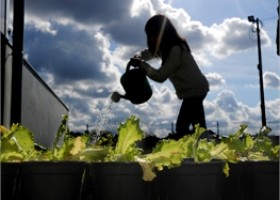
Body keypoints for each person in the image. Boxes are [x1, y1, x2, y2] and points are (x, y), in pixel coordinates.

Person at [129, 14, 209, 138]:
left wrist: (142, 65)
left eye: (153, 34)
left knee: (182, 126)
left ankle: (202, 146)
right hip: (194, 90)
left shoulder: (175, 49)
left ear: (163, 33)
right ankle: (205, 146)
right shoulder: (165, 48)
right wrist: (138, 57)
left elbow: (161, 76)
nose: (152, 38)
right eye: (150, 35)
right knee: (198, 125)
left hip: (195, 90)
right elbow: (147, 53)